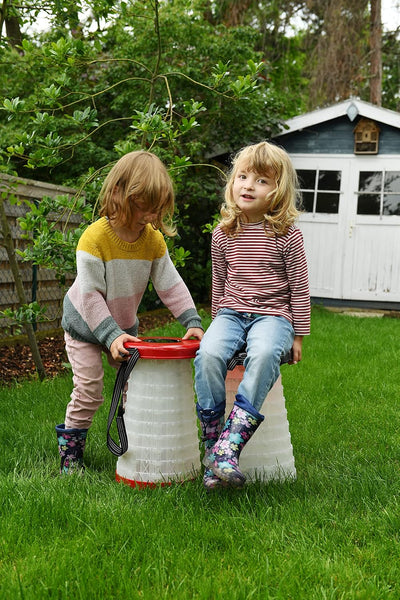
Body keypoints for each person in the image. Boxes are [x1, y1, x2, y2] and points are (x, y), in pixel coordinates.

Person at [56, 150, 204, 474]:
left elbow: (171, 285)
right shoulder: (93, 239)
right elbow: (90, 295)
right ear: (121, 195)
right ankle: (71, 454)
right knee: (90, 389)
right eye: (145, 205)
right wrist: (109, 336)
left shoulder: (152, 241)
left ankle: (136, 450)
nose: (152, 215)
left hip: (123, 328)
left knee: (133, 390)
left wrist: (191, 320)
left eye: (157, 207)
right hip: (84, 326)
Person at [194, 141, 310, 489]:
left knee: (262, 354)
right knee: (208, 354)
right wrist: (216, 325)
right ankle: (213, 445)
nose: (248, 185)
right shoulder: (222, 234)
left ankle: (230, 446)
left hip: (274, 315)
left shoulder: (287, 235)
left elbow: (299, 287)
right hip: (231, 312)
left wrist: (298, 336)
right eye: (242, 176)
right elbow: (218, 283)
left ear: (278, 190)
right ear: (232, 183)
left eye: (261, 180)